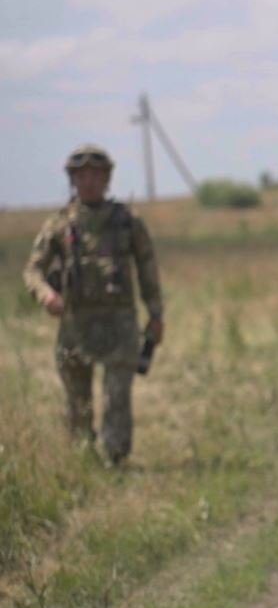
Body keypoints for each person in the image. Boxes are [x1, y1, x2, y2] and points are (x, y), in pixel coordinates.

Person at [23, 145, 162, 467]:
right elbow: (33, 269)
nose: (89, 181)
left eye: (96, 175)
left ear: (108, 179)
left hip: (120, 322)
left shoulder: (128, 222)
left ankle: (115, 460)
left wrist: (156, 315)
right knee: (77, 400)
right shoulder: (59, 225)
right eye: (82, 175)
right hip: (75, 324)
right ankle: (82, 462)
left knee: (117, 396)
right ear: (72, 179)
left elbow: (147, 269)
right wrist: (45, 294)